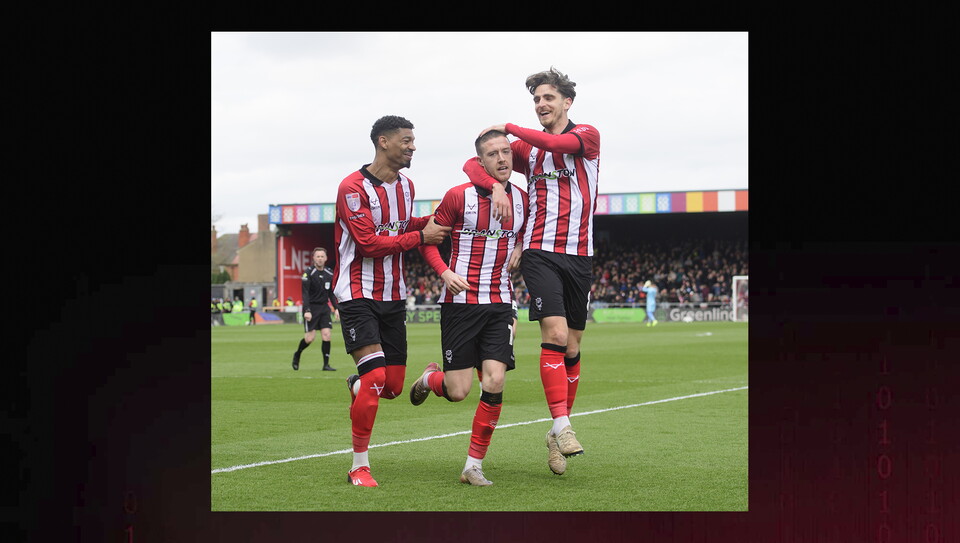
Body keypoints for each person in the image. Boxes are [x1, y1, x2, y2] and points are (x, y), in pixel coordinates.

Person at [463, 67, 599, 474]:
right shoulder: (527, 152)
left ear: (567, 102)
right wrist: (497, 186)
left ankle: (555, 435)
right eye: (536, 99)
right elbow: (475, 162)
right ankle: (563, 424)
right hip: (539, 251)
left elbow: (555, 141)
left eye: (548, 98)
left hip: (580, 254)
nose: (541, 105)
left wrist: (510, 126)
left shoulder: (586, 136)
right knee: (555, 334)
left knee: (572, 346)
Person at [333, 115, 451, 487]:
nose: (413, 146)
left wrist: (429, 222)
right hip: (356, 292)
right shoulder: (352, 188)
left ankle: (359, 385)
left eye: (413, 140)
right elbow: (368, 244)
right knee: (375, 378)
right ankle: (359, 466)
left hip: (393, 294)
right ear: (383, 142)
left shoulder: (407, 186)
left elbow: (400, 225)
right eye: (406, 140)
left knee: (393, 387)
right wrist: (422, 237)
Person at [409, 130, 528, 486]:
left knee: (495, 379)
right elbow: (429, 242)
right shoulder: (457, 197)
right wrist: (444, 272)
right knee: (458, 391)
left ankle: (473, 465)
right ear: (480, 162)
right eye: (493, 154)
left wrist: (522, 246)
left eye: (506, 152)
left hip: (500, 302)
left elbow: (528, 234)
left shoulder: (523, 199)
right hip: (459, 305)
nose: (502, 159)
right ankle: (431, 377)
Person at [292, 247, 339, 371]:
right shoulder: (308, 273)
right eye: (317, 256)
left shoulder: (329, 273)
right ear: (313, 258)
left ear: (326, 258)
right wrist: (306, 310)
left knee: (327, 335)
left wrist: (336, 308)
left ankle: (326, 364)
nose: (320, 259)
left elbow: (331, 294)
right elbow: (305, 294)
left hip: (324, 308)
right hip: (311, 308)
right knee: (310, 338)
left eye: (322, 256)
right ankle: (297, 354)